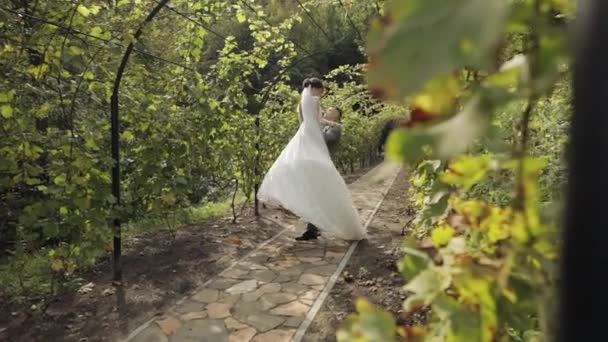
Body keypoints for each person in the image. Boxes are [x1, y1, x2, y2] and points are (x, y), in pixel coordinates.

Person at [257, 78, 365, 241]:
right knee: (316, 194)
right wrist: (327, 123)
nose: (322, 95)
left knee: (319, 193)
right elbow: (318, 122)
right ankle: (313, 228)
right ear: (316, 89)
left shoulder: (308, 108)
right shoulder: (314, 104)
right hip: (314, 152)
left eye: (332, 112)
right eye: (321, 91)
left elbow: (311, 126)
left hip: (314, 150)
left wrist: (317, 126)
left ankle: (317, 227)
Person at [297, 106, 343, 241]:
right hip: (315, 165)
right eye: (327, 109)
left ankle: (313, 230)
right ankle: (314, 228)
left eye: (331, 111)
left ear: (336, 116)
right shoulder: (323, 126)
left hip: (324, 167)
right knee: (314, 198)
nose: (327, 111)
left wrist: (315, 124)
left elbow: (322, 139)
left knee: (316, 198)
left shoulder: (336, 128)